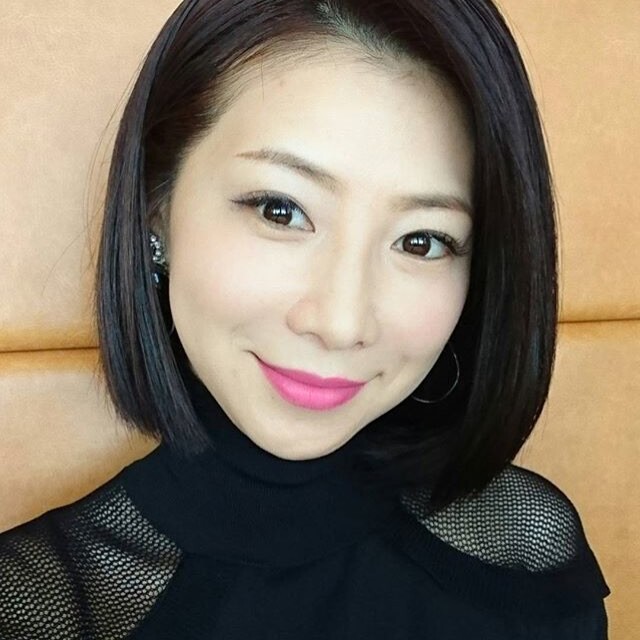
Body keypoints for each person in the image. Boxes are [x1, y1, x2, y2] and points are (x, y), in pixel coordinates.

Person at [0, 0, 611, 638]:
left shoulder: (525, 550)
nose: (342, 323)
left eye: (422, 241)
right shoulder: (34, 609)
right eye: (281, 211)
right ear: (157, 207)